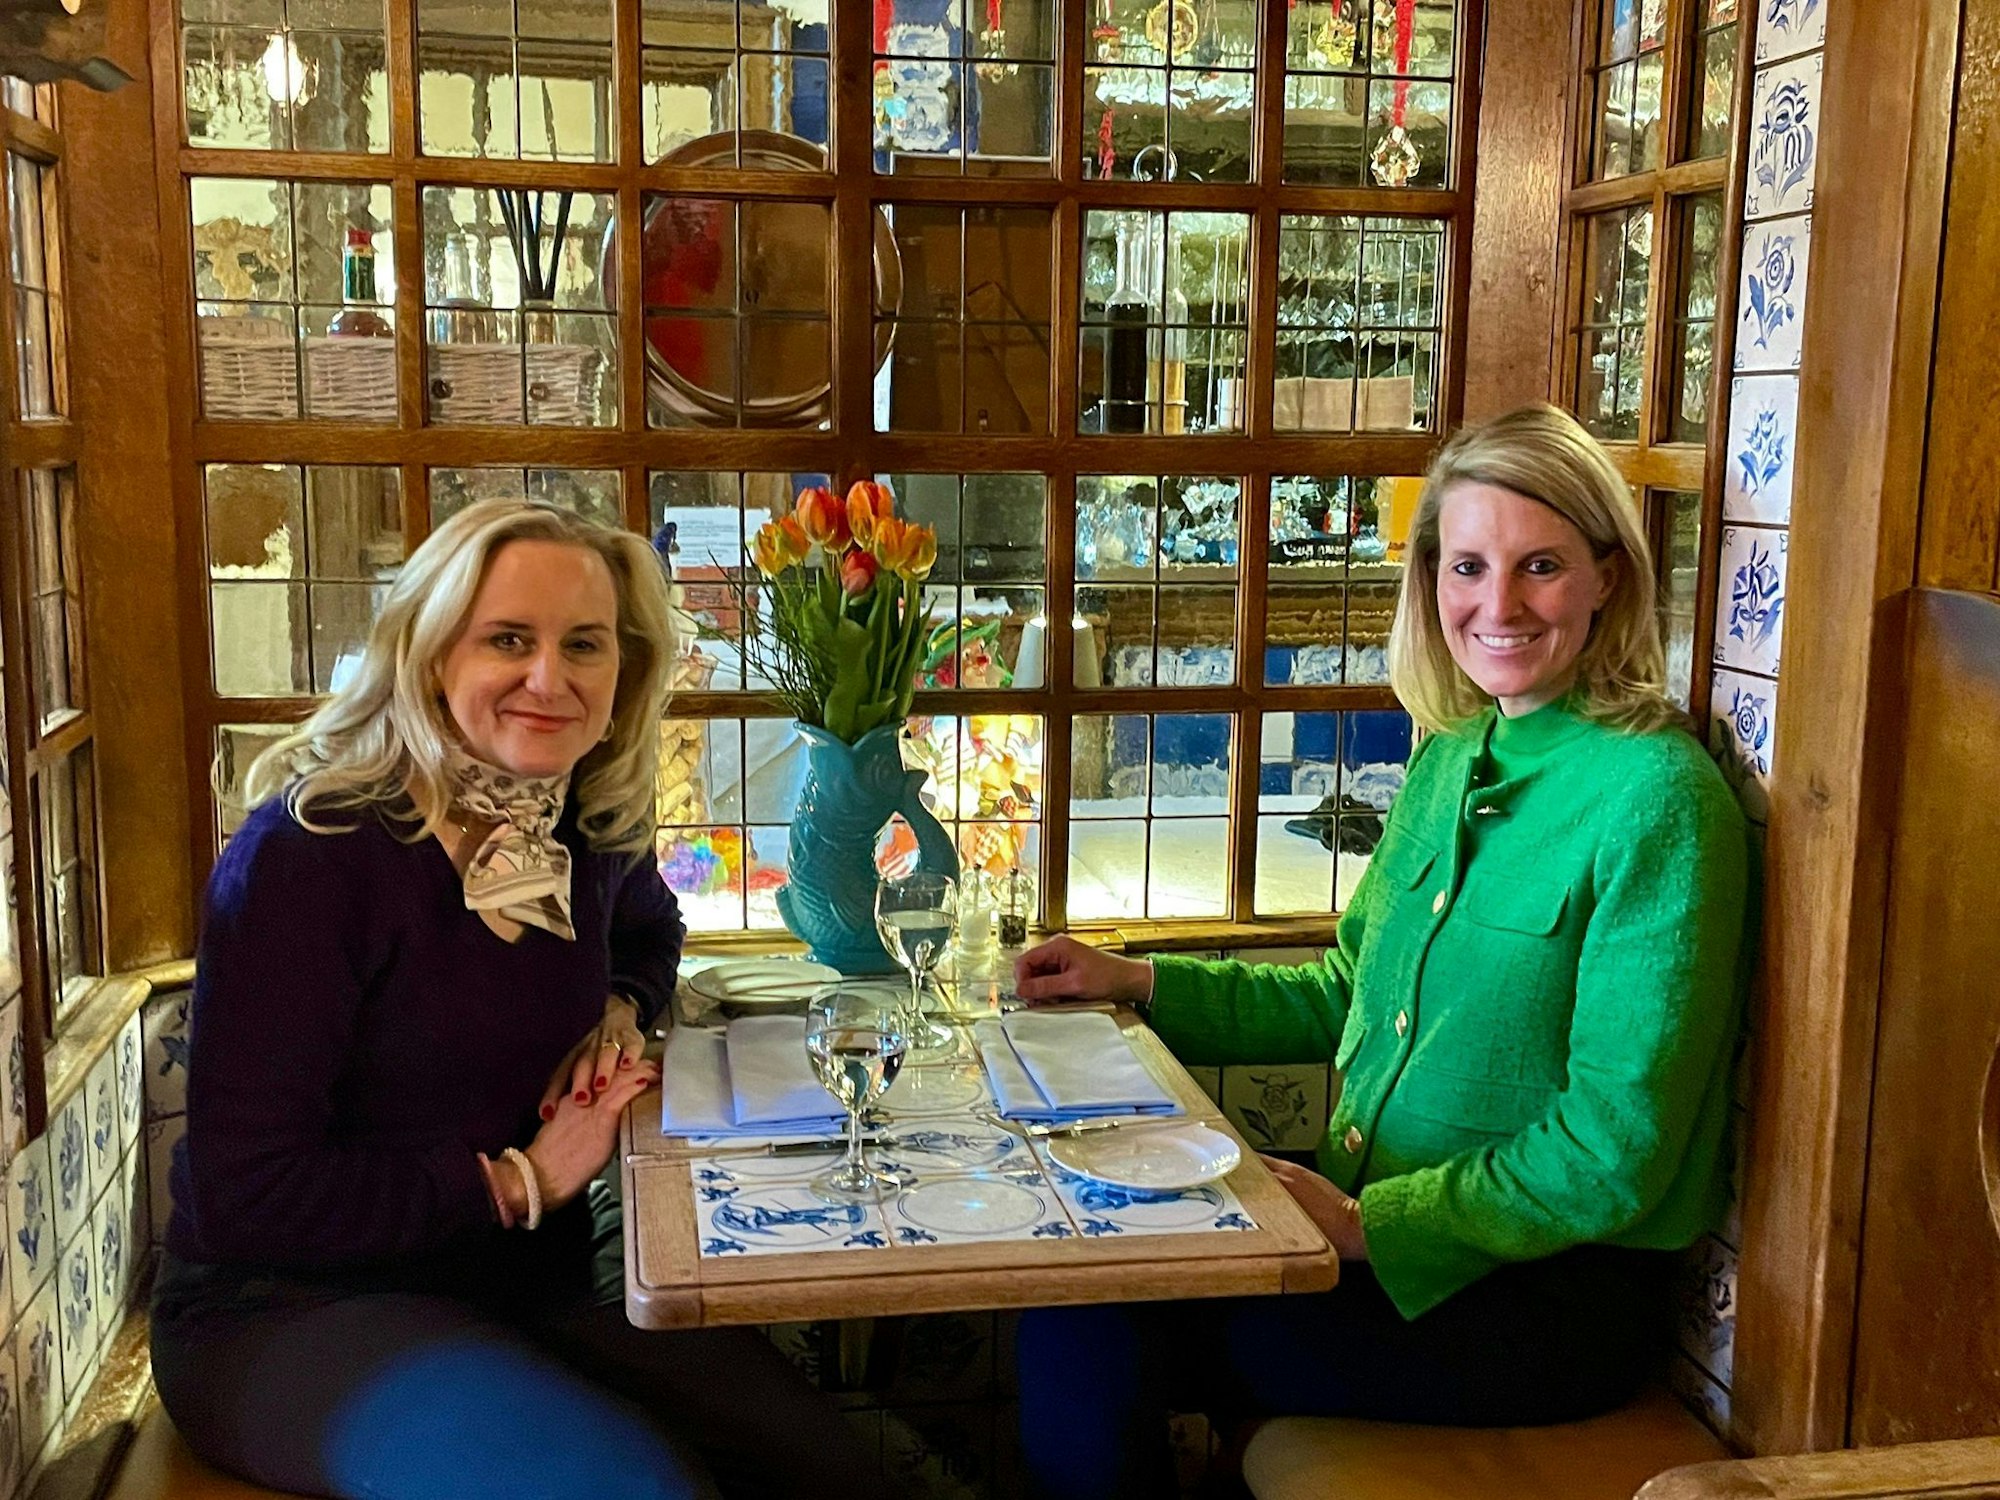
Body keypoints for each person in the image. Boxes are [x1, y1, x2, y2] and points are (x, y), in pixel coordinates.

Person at [1011, 404, 1751, 1498]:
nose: (1495, 604)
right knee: (1079, 1282)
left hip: (1534, 1307)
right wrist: (1138, 981)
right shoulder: (1452, 756)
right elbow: (1345, 993)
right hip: (1371, 1253)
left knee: (1097, 1316)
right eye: (1466, 566)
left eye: (1537, 566)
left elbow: (1614, 1148)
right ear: (1429, 584)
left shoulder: (1658, 801)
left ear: (1604, 576)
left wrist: (1366, 1229)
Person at [152, 500, 889, 1500]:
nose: (550, 679)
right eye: (508, 638)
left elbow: (649, 930)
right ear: (426, 653)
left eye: (582, 644)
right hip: (291, 1309)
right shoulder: (311, 856)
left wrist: (620, 1008)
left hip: (519, 1278)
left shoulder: (575, 817)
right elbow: (252, 1196)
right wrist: (516, 1182)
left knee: (836, 1476)